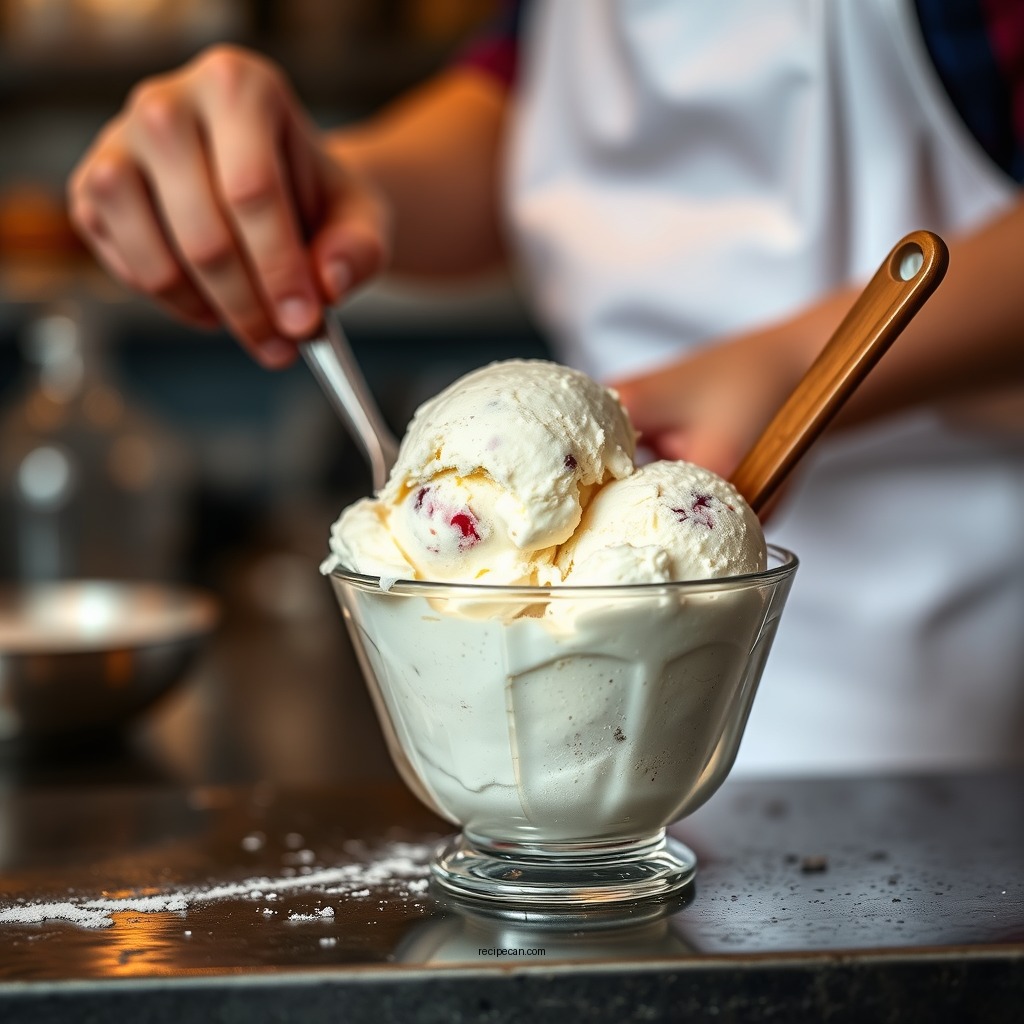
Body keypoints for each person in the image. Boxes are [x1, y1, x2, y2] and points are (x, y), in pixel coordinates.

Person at [68, 0, 1024, 775]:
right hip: (570, 724)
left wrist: (792, 368)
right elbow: (525, 116)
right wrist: (338, 183)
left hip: (932, 717)